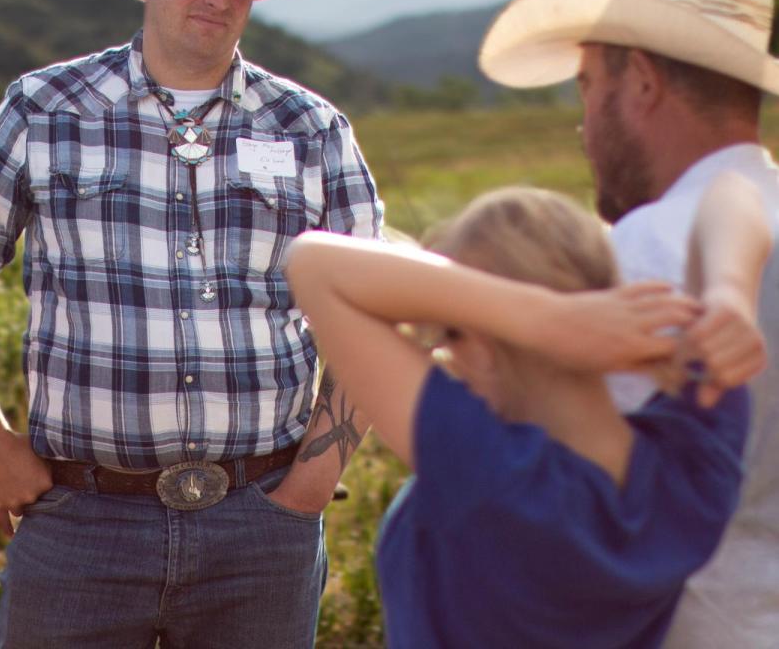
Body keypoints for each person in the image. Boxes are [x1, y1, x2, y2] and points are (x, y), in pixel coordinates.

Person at [0, 0, 382, 647]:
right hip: (82, 522)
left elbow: (373, 306)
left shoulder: (312, 129)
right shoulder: (45, 110)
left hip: (262, 523)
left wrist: (316, 478)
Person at [285, 178, 769, 647]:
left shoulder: (495, 476)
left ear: (492, 342)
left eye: (451, 333)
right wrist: (728, 297)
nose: (443, 357)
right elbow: (732, 190)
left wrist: (541, 320)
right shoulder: (691, 466)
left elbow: (311, 263)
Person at [478, 0, 779, 646]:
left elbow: (564, 497)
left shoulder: (647, 250)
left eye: (588, 85)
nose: (583, 126)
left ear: (641, 80)